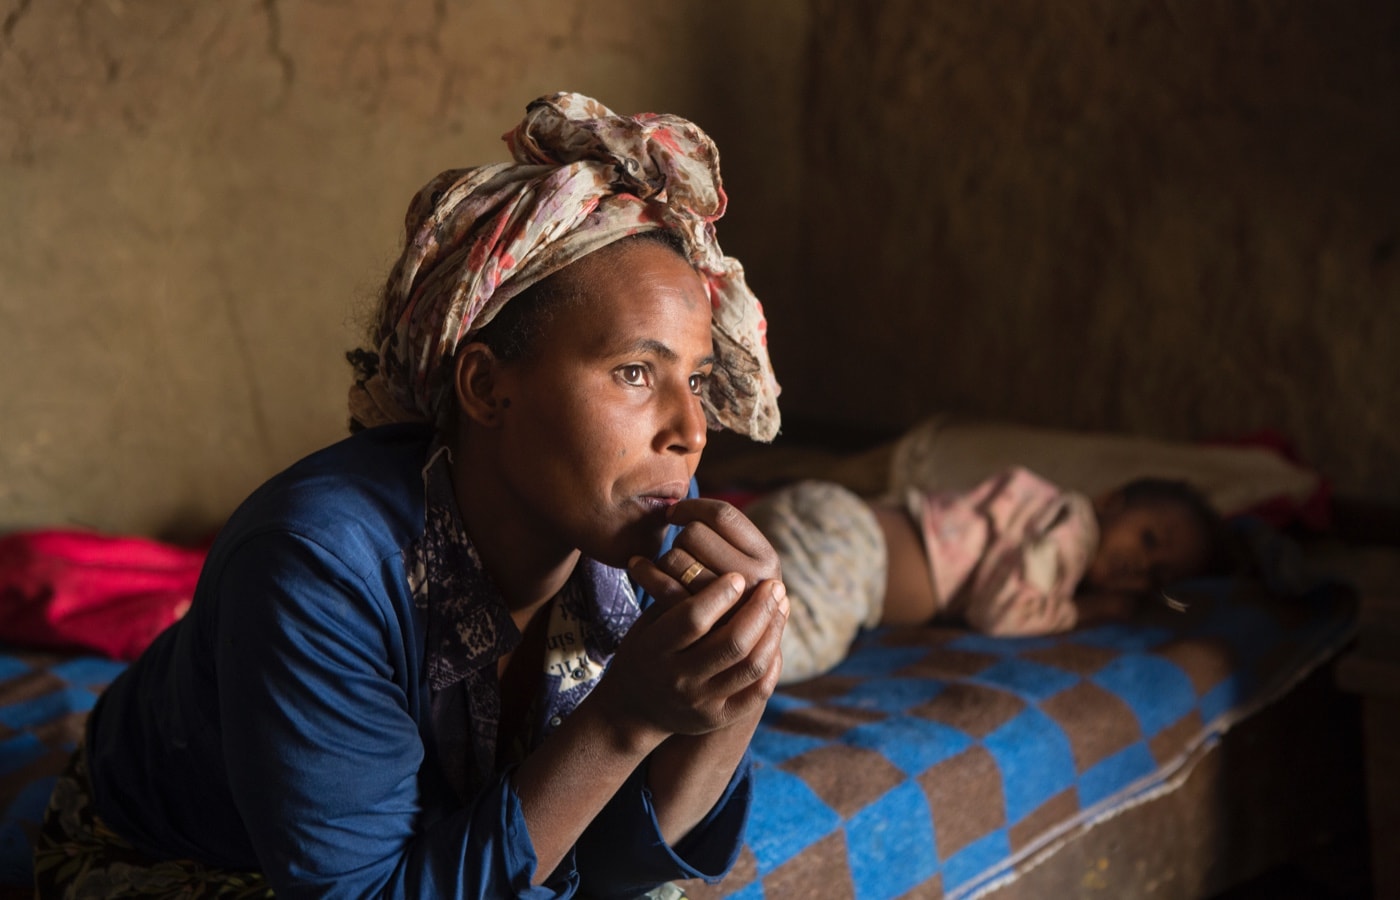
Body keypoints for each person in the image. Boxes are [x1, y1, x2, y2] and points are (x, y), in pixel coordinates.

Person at [33, 92, 788, 899]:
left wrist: (737, 689)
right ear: (487, 388)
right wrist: (625, 720)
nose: (690, 430)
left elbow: (611, 871)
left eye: (697, 381)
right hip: (198, 864)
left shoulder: (638, 516)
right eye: (635, 374)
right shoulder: (317, 566)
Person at [748, 467, 1225, 684]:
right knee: (791, 646)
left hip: (836, 520)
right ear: (1111, 502)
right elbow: (1001, 614)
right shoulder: (1069, 531)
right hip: (856, 548)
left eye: (1157, 575)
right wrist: (1084, 611)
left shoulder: (1049, 523)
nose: (1141, 567)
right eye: (1147, 539)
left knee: (739, 591)